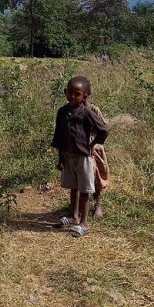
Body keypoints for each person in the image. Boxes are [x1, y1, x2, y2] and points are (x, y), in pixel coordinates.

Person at [51, 75, 109, 236]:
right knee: (74, 187)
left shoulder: (87, 112)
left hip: (83, 156)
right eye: (70, 92)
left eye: (77, 94)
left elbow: (103, 130)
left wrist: (92, 145)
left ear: (85, 96)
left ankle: (84, 223)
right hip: (68, 156)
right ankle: (73, 216)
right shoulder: (62, 112)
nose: (72, 96)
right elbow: (59, 136)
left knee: (85, 189)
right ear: (65, 92)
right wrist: (60, 157)